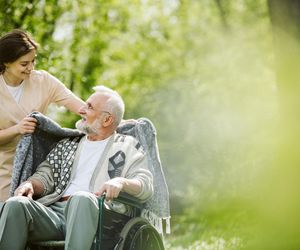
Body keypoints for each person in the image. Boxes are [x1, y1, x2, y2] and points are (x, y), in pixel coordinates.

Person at [0, 85, 153, 249]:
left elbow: (145, 184)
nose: (81, 110)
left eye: (89, 107)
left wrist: (121, 182)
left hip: (100, 214)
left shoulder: (128, 147)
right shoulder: (68, 144)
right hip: (55, 213)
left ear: (107, 119)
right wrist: (30, 184)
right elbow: (45, 176)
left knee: (82, 198)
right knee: (16, 204)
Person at [0, 29, 84, 202]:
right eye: (24, 64)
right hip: (3, 170)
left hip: (37, 170)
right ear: (6, 62)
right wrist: (17, 129)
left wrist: (115, 119)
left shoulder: (43, 81)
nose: (31, 68)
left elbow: (82, 108)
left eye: (33, 61)